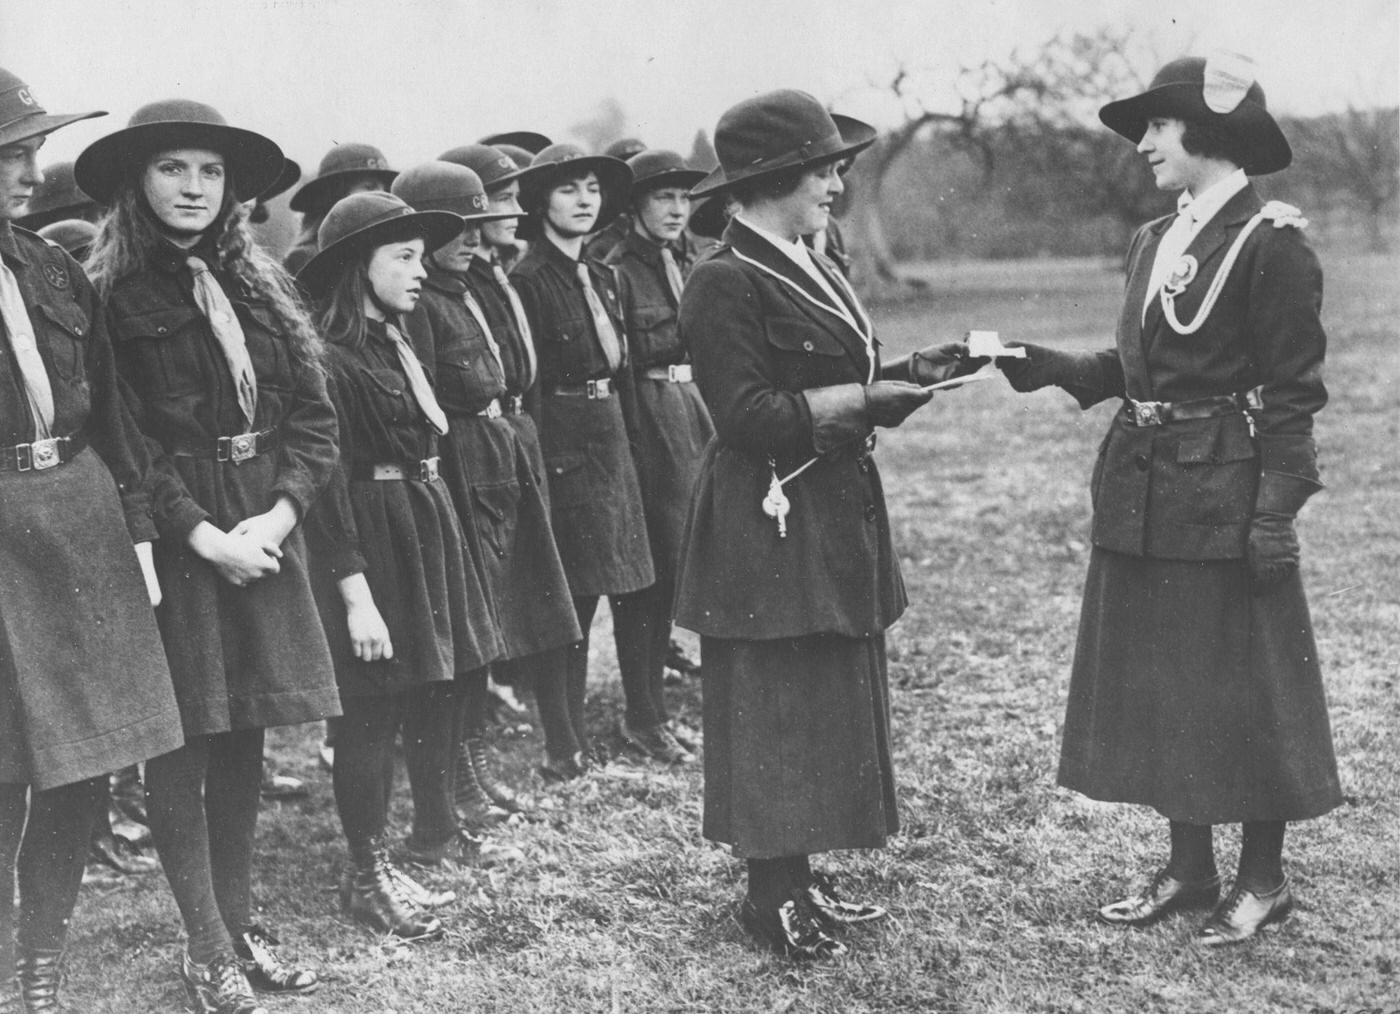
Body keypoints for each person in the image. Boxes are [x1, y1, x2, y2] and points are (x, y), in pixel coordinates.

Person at [998, 53, 1341, 945]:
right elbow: (1139, 368)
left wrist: (1273, 516)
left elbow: (1295, 394)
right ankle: (1191, 870)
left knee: (1244, 683)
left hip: (1224, 492)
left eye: (1158, 124)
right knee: (1166, 681)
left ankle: (1263, 880)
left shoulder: (1274, 244)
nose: (1143, 143)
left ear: (1209, 131)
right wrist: (1049, 367)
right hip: (1142, 487)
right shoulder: (1154, 239)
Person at [673, 89, 981, 959]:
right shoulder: (722, 278)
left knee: (816, 697)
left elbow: (841, 367)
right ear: (773, 178)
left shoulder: (807, 257)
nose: (836, 185)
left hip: (822, 506)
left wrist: (911, 372)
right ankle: (768, 899)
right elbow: (743, 413)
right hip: (766, 519)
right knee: (777, 702)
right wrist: (860, 399)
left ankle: (796, 882)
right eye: (824, 170)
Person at [78, 99, 342, 1012]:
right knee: (185, 742)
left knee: (248, 732)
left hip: (262, 528)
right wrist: (202, 535)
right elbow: (126, 441)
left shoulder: (263, 284)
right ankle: (204, 944)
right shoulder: (107, 296)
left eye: (211, 172)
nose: (194, 188)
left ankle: (236, 919)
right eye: (172, 169)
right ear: (135, 183)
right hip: (180, 537)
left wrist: (276, 519)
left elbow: (313, 419)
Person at [0, 66, 185, 1013]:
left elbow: (115, 416)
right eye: (9, 153)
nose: (28, 171)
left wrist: (141, 535)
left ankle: (41, 959)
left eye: (31, 150)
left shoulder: (54, 268)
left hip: (79, 524)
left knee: (81, 763)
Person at [298, 191, 503, 937]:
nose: (422, 272)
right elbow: (326, 485)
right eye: (405, 257)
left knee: (433, 686)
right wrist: (355, 594)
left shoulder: (395, 338)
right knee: (370, 712)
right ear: (360, 267)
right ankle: (365, 874)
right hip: (374, 537)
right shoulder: (330, 360)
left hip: (424, 518)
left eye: (422, 257)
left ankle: (426, 836)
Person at [394, 160, 580, 821]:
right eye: (458, 229)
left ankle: (469, 771)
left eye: (479, 226)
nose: (474, 239)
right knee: (471, 631)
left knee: (494, 623)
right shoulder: (422, 305)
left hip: (499, 459)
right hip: (461, 469)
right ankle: (459, 781)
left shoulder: (471, 288)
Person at [510, 143, 656, 781]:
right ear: (542, 201)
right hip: (564, 443)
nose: (585, 201)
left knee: (632, 582)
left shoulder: (605, 276)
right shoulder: (527, 280)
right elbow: (531, 386)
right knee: (573, 598)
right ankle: (562, 743)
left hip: (611, 440)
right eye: (570, 189)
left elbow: (621, 374)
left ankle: (643, 718)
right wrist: (543, 465)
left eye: (593, 188)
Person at [604, 148, 714, 763]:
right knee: (649, 577)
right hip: (649, 420)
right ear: (636, 204)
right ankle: (644, 716)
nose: (677, 209)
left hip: (697, 411)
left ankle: (658, 708)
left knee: (686, 565)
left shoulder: (695, 260)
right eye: (662, 197)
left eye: (683, 197)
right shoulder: (616, 269)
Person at [283, 143, 397, 274]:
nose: (382, 196)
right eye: (369, 187)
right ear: (337, 196)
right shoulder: (305, 258)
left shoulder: (386, 252)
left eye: (385, 190)